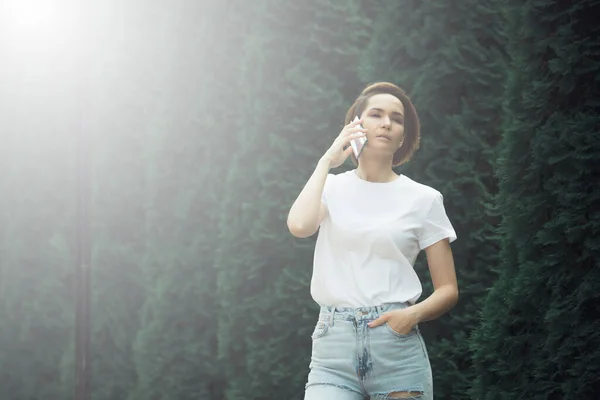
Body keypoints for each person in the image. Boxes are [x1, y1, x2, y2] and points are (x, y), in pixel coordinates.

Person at [287, 82, 459, 400]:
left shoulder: (424, 199)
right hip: (332, 349)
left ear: (403, 135)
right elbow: (299, 225)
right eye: (376, 114)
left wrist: (411, 315)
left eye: (396, 118)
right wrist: (326, 161)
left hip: (395, 345)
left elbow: (448, 289)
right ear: (356, 125)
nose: (386, 123)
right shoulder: (331, 187)